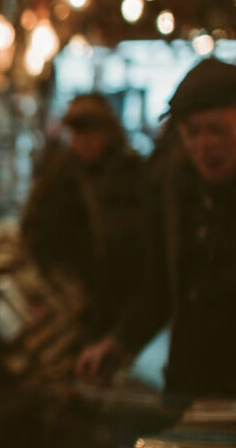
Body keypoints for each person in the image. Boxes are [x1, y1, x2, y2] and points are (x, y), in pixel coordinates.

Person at [76, 57, 236, 398]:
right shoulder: (176, 193)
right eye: (193, 132)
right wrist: (117, 341)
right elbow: (161, 285)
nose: (204, 146)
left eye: (217, 130)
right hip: (190, 383)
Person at [21, 92, 147, 341]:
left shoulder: (131, 170)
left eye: (91, 131)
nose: (83, 140)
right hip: (75, 296)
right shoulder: (59, 173)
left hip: (122, 295)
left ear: (108, 132)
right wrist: (57, 278)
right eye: (77, 132)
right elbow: (33, 225)